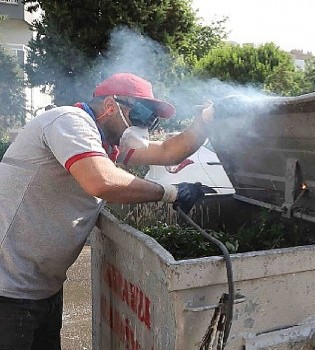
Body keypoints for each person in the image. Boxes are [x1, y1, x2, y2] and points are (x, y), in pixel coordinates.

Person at [0, 72, 212, 349]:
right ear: (111, 105)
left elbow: (169, 151)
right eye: (140, 114)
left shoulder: (106, 143)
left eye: (150, 118)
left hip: (42, 286)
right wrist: (169, 193)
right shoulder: (69, 121)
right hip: (8, 290)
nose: (144, 125)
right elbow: (102, 181)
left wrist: (207, 121)